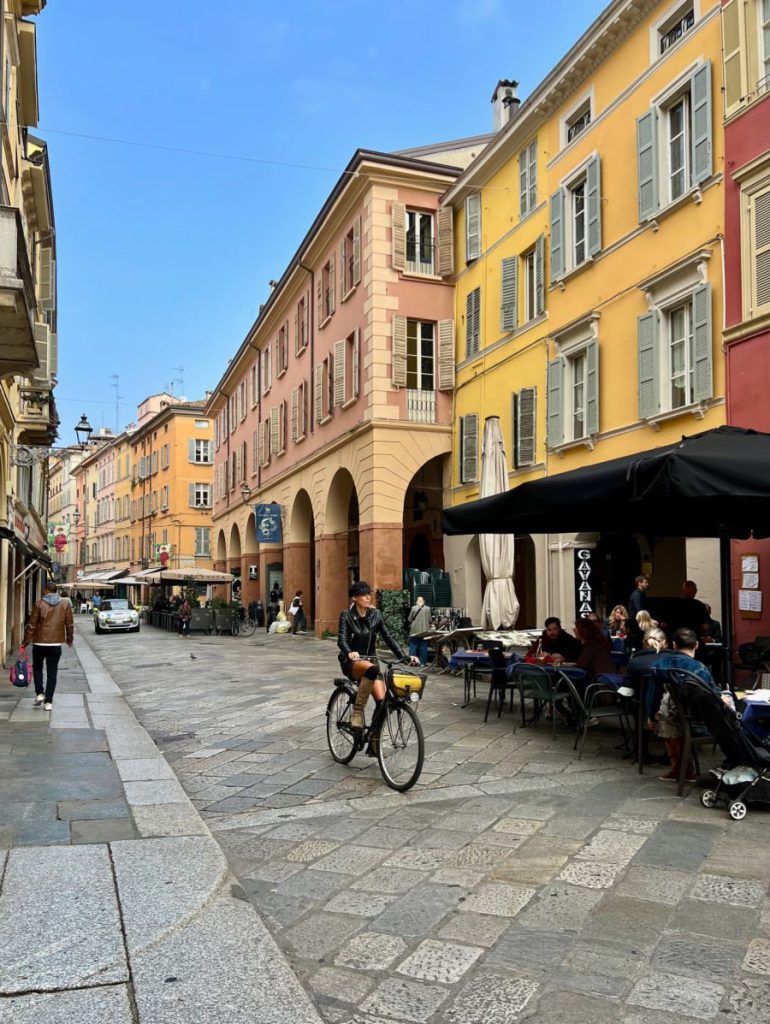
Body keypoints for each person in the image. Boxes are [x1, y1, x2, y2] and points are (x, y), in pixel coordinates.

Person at [337, 581, 419, 747]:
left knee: (383, 703)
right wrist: (349, 652)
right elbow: (342, 639)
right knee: (372, 669)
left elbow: (388, 638)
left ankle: (373, 742)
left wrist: (403, 657)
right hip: (352, 661)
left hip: (371, 660)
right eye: (363, 594)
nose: (368, 597)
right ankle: (357, 712)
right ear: (354, 598)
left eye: (369, 594)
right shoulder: (346, 616)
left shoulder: (376, 615)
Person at [652, 627, 733, 782]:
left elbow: (653, 693)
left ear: (674, 644)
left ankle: (680, 769)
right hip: (701, 722)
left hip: (675, 718)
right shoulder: (699, 668)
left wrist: (650, 715)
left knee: (667, 714)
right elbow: (712, 696)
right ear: (696, 645)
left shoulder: (658, 665)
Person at [23, 580, 75, 711]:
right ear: (56, 591)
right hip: (55, 643)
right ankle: (48, 702)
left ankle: (40, 693)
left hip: (39, 643)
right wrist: (69, 639)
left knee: (37, 668)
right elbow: (69, 624)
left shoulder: (39, 604)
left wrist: (26, 641)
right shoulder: (65, 604)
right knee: (52, 672)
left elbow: (32, 625)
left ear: (46, 590)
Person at [407, 596, 431, 666]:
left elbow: (409, 619)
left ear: (417, 602)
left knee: (413, 647)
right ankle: (423, 663)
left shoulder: (413, 608)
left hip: (414, 631)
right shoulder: (428, 609)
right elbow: (430, 620)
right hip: (424, 631)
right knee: (423, 647)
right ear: (424, 602)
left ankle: (412, 662)